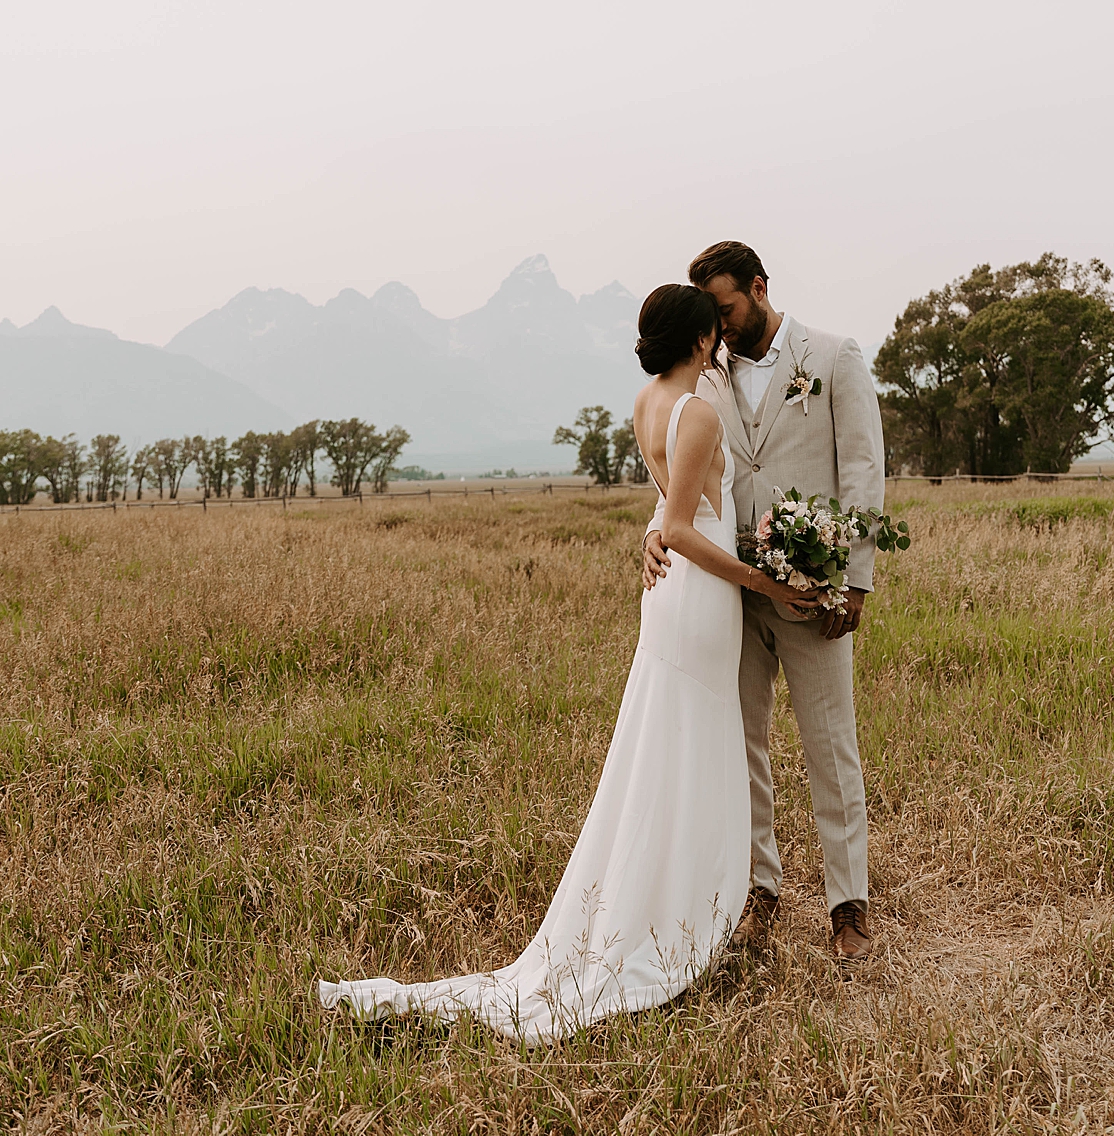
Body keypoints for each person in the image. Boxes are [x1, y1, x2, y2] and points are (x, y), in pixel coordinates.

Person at [319, 283, 818, 1043]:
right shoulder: (699, 412)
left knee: (667, 744)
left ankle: (670, 903)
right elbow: (683, 526)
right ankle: (672, 916)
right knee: (691, 741)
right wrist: (762, 579)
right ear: (699, 341)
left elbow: (664, 512)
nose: (722, 339)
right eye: (714, 331)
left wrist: (656, 536)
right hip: (701, 597)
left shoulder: (647, 403)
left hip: (675, 598)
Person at [643, 241, 886, 961]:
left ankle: (848, 907)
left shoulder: (835, 357)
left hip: (815, 593)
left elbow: (865, 472)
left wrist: (856, 578)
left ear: (758, 287)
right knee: (742, 747)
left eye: (724, 310)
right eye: (708, 319)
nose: (717, 329)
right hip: (729, 595)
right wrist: (655, 532)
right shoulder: (702, 377)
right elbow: (680, 480)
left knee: (830, 748)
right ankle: (760, 891)